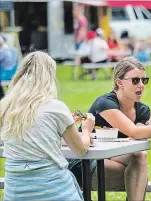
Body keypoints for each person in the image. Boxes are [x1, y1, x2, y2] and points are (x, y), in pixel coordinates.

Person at [68, 57, 151, 200]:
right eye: (135, 80)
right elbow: (134, 132)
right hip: (85, 161)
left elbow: (139, 136)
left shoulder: (142, 110)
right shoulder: (105, 103)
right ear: (119, 83)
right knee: (137, 175)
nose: (141, 85)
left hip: (111, 159)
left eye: (144, 80)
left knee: (139, 156)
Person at [0, 51, 95, 200]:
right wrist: (87, 130)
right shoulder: (55, 107)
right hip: (53, 190)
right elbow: (80, 149)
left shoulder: (5, 107)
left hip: (15, 191)